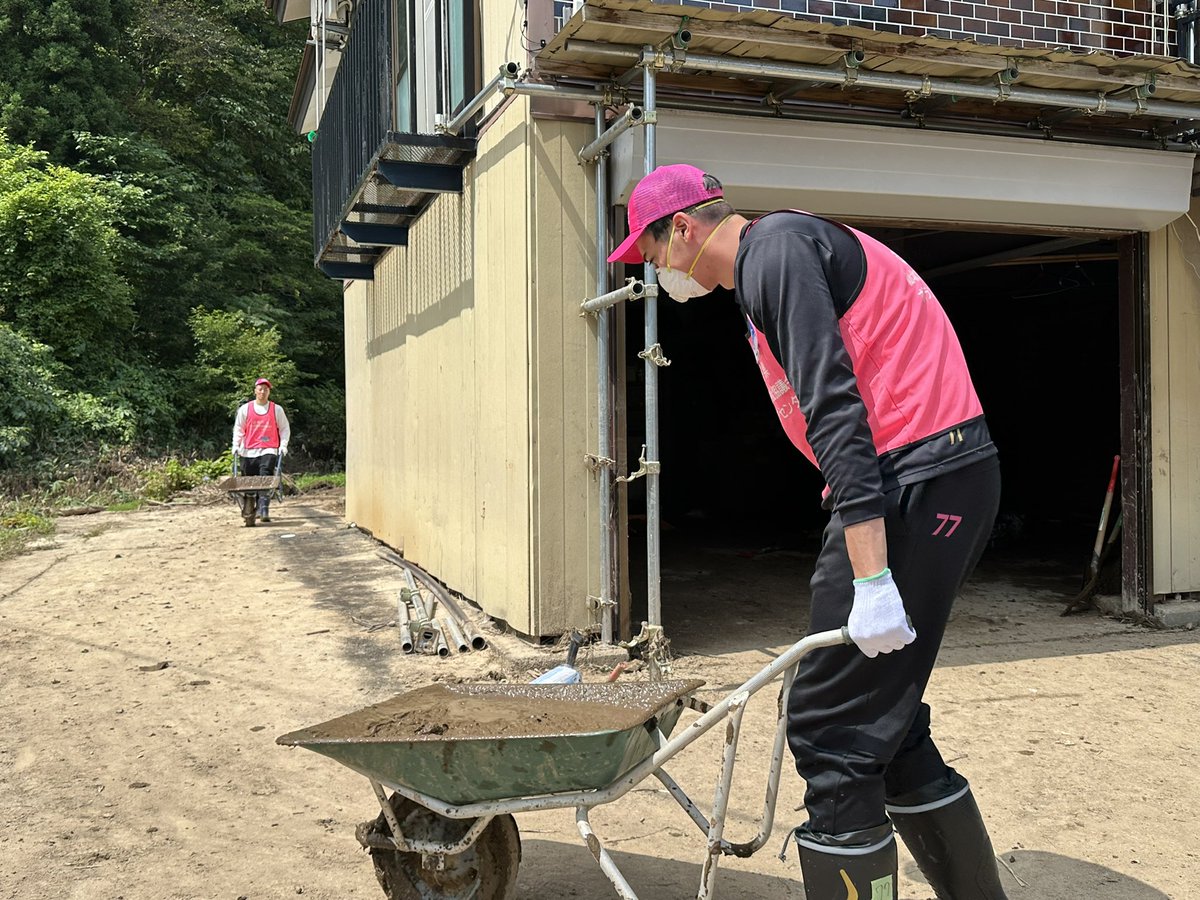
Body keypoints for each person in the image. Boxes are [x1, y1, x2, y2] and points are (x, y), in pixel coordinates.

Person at [609, 165, 1006, 899]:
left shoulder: (777, 254)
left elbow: (835, 409)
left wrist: (872, 576)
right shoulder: (772, 262)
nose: (655, 270)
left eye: (652, 252)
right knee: (883, 721)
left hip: (917, 478)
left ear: (684, 229)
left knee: (830, 727)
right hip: (934, 475)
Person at [232, 377, 290, 523]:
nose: (263, 392)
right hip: (248, 450)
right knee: (249, 481)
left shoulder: (276, 409)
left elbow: (284, 428)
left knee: (265, 476)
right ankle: (249, 507)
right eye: (260, 389)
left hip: (268, 449)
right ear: (255, 391)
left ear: (269, 392)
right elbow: (239, 429)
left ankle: (263, 508)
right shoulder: (245, 409)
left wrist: (283, 445)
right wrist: (236, 445)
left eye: (266, 389)